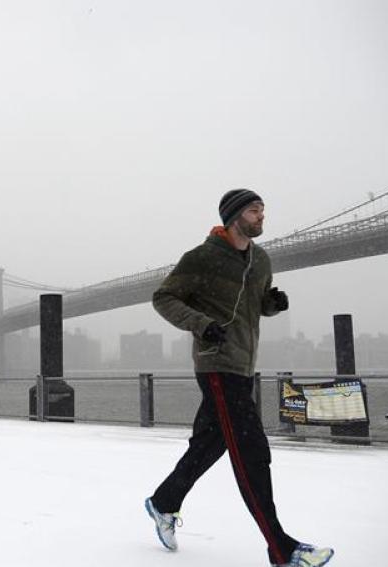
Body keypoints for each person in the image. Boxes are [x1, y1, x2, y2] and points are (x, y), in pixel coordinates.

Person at [143, 189, 334, 567]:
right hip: (216, 364)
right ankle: (281, 549)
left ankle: (164, 502)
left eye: (263, 209)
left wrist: (271, 305)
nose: (262, 216)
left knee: (211, 443)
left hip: (245, 364)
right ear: (234, 217)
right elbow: (164, 298)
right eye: (253, 210)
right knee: (251, 449)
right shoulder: (201, 258)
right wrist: (201, 324)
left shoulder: (261, 260)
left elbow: (256, 303)